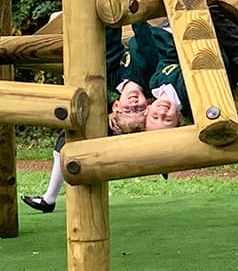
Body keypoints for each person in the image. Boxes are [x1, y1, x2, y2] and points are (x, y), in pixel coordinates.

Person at [22, 27, 152, 213]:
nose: (133, 103)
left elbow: (110, 49)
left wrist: (112, 23)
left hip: (100, 32)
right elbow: (144, 39)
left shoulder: (111, 79)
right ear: (147, 103)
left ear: (116, 105)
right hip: (157, 29)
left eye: (127, 110)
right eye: (138, 108)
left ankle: (49, 198)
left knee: (70, 137)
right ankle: (49, 198)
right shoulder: (147, 74)